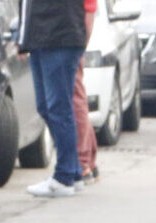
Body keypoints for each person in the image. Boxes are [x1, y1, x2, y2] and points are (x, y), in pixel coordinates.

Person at [16, 0, 87, 199]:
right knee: (46, 107)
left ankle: (64, 177)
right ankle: (72, 172)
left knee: (58, 108)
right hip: (40, 37)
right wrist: (22, 37)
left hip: (59, 37)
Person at [71, 0, 100, 183]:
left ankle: (83, 162)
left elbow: (89, 9)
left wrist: (81, 46)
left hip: (71, 39)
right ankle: (89, 160)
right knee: (76, 98)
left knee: (75, 99)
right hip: (72, 36)